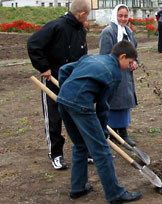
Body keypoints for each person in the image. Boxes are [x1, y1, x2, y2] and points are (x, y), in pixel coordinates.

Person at [57, 40, 142, 203]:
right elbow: (103, 106)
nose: (129, 66)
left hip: (63, 101)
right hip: (81, 106)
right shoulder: (115, 73)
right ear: (122, 56)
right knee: (102, 150)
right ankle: (115, 194)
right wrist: (102, 131)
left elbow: (63, 70)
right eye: (129, 62)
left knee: (80, 145)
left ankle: (77, 187)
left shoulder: (90, 58)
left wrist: (65, 90)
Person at [27, 0, 90, 170]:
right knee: (54, 117)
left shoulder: (80, 30)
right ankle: (56, 154)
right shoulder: (56, 26)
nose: (88, 18)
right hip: (52, 79)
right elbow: (33, 44)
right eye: (88, 15)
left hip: (73, 80)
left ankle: (84, 149)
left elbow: (82, 54)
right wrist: (44, 67)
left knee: (79, 114)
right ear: (82, 14)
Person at [99, 4, 138, 147]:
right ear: (115, 16)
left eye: (125, 16)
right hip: (113, 74)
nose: (123, 19)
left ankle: (123, 132)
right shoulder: (108, 32)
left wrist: (135, 62)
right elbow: (105, 54)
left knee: (124, 103)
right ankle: (111, 132)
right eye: (120, 16)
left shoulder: (128, 31)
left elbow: (134, 51)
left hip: (126, 75)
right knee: (113, 102)